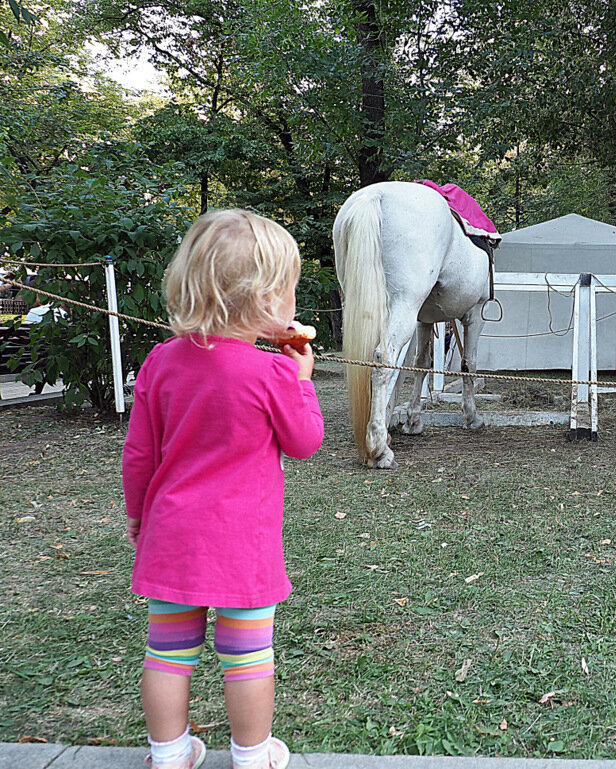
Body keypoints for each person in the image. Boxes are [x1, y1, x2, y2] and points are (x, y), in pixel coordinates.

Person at [122, 209, 324, 769]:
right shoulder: (273, 374)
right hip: (243, 545)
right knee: (248, 658)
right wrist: (302, 382)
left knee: (166, 654)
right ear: (263, 299)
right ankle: (252, 755)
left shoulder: (161, 361)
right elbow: (305, 441)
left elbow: (140, 453)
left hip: (171, 538)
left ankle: (168, 754)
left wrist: (140, 517)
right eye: (289, 291)